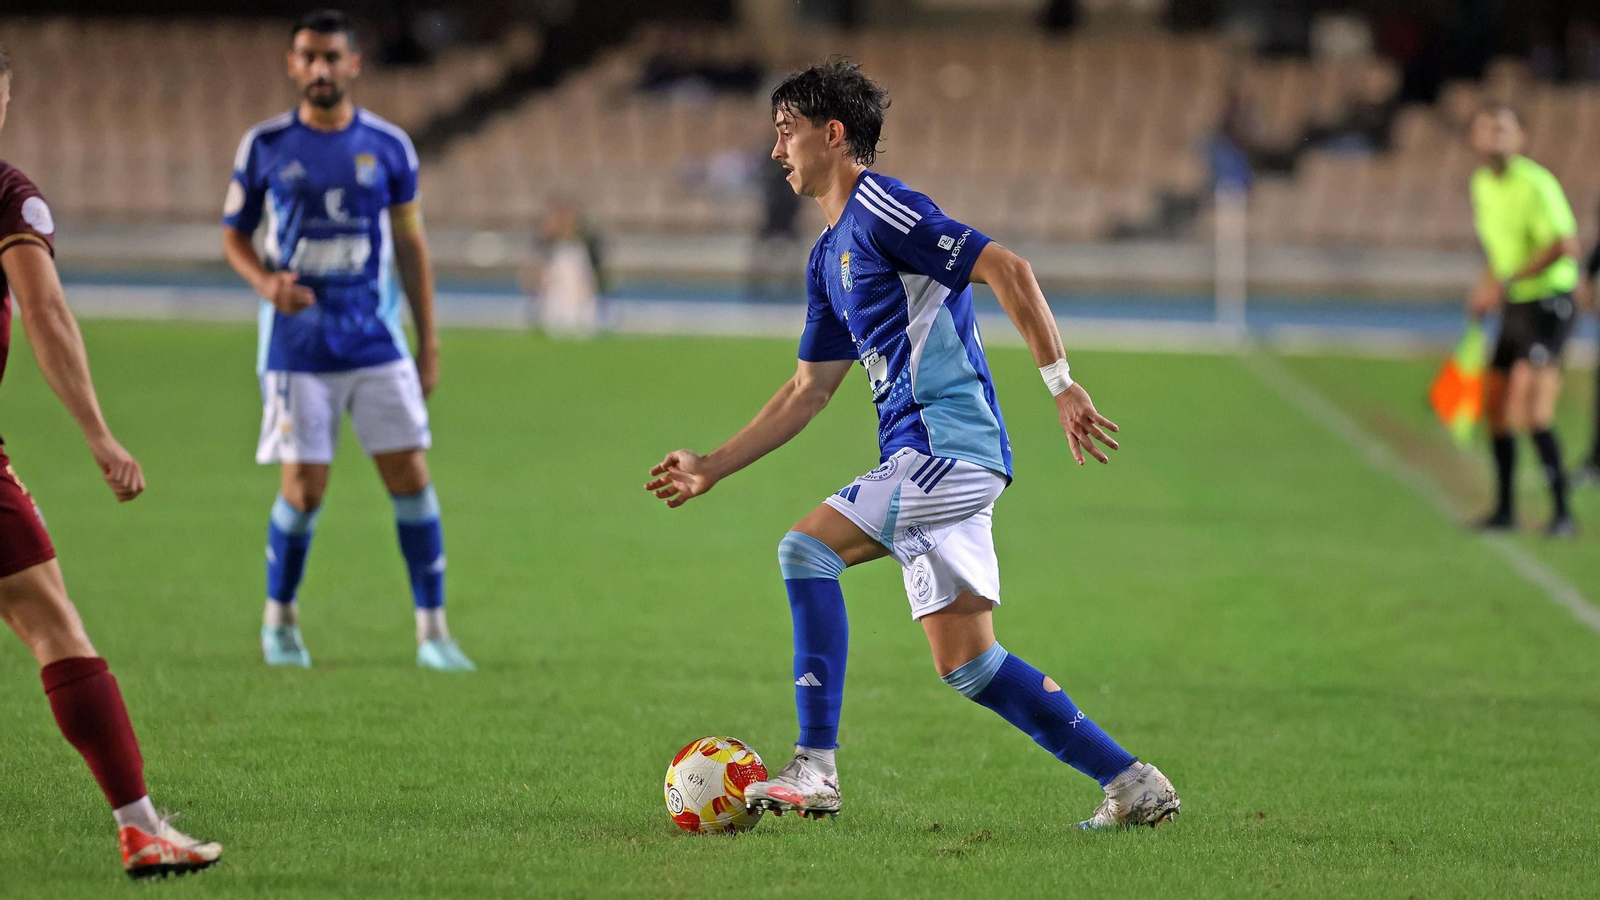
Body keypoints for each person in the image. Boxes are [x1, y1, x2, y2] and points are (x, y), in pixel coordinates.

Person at [643, 61, 1180, 829]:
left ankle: (815, 767)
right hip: (929, 459)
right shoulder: (828, 258)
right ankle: (1132, 783)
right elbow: (808, 391)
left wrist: (1062, 384)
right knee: (970, 664)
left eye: (786, 132)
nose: (775, 152)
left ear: (834, 135)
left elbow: (1007, 268)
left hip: (947, 449)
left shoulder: (882, 208)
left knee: (806, 551)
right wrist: (713, 467)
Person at [0, 50, 222, 878]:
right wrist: (98, 433)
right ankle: (140, 828)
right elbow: (47, 312)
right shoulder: (9, 195)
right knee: (55, 626)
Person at [221, 9, 473, 670]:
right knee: (304, 490)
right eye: (309, 56)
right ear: (292, 64)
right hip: (297, 346)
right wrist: (264, 284)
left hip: (374, 338)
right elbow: (232, 235)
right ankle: (280, 623)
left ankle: (434, 633)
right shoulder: (266, 145)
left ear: (354, 64)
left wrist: (430, 342)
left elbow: (412, 244)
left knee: (411, 477)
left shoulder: (389, 146)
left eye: (333, 57)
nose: (321, 69)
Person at [1467, 105, 1581, 536]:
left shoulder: (1537, 183)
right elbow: (1502, 253)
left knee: (1533, 411)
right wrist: (1485, 288)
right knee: (1495, 408)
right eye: (1486, 127)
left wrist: (1507, 281)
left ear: (1520, 138)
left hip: (1549, 303)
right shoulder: (1480, 183)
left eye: (1503, 128)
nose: (1494, 136)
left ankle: (1562, 514)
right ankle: (1504, 510)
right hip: (1515, 302)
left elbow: (1565, 244)